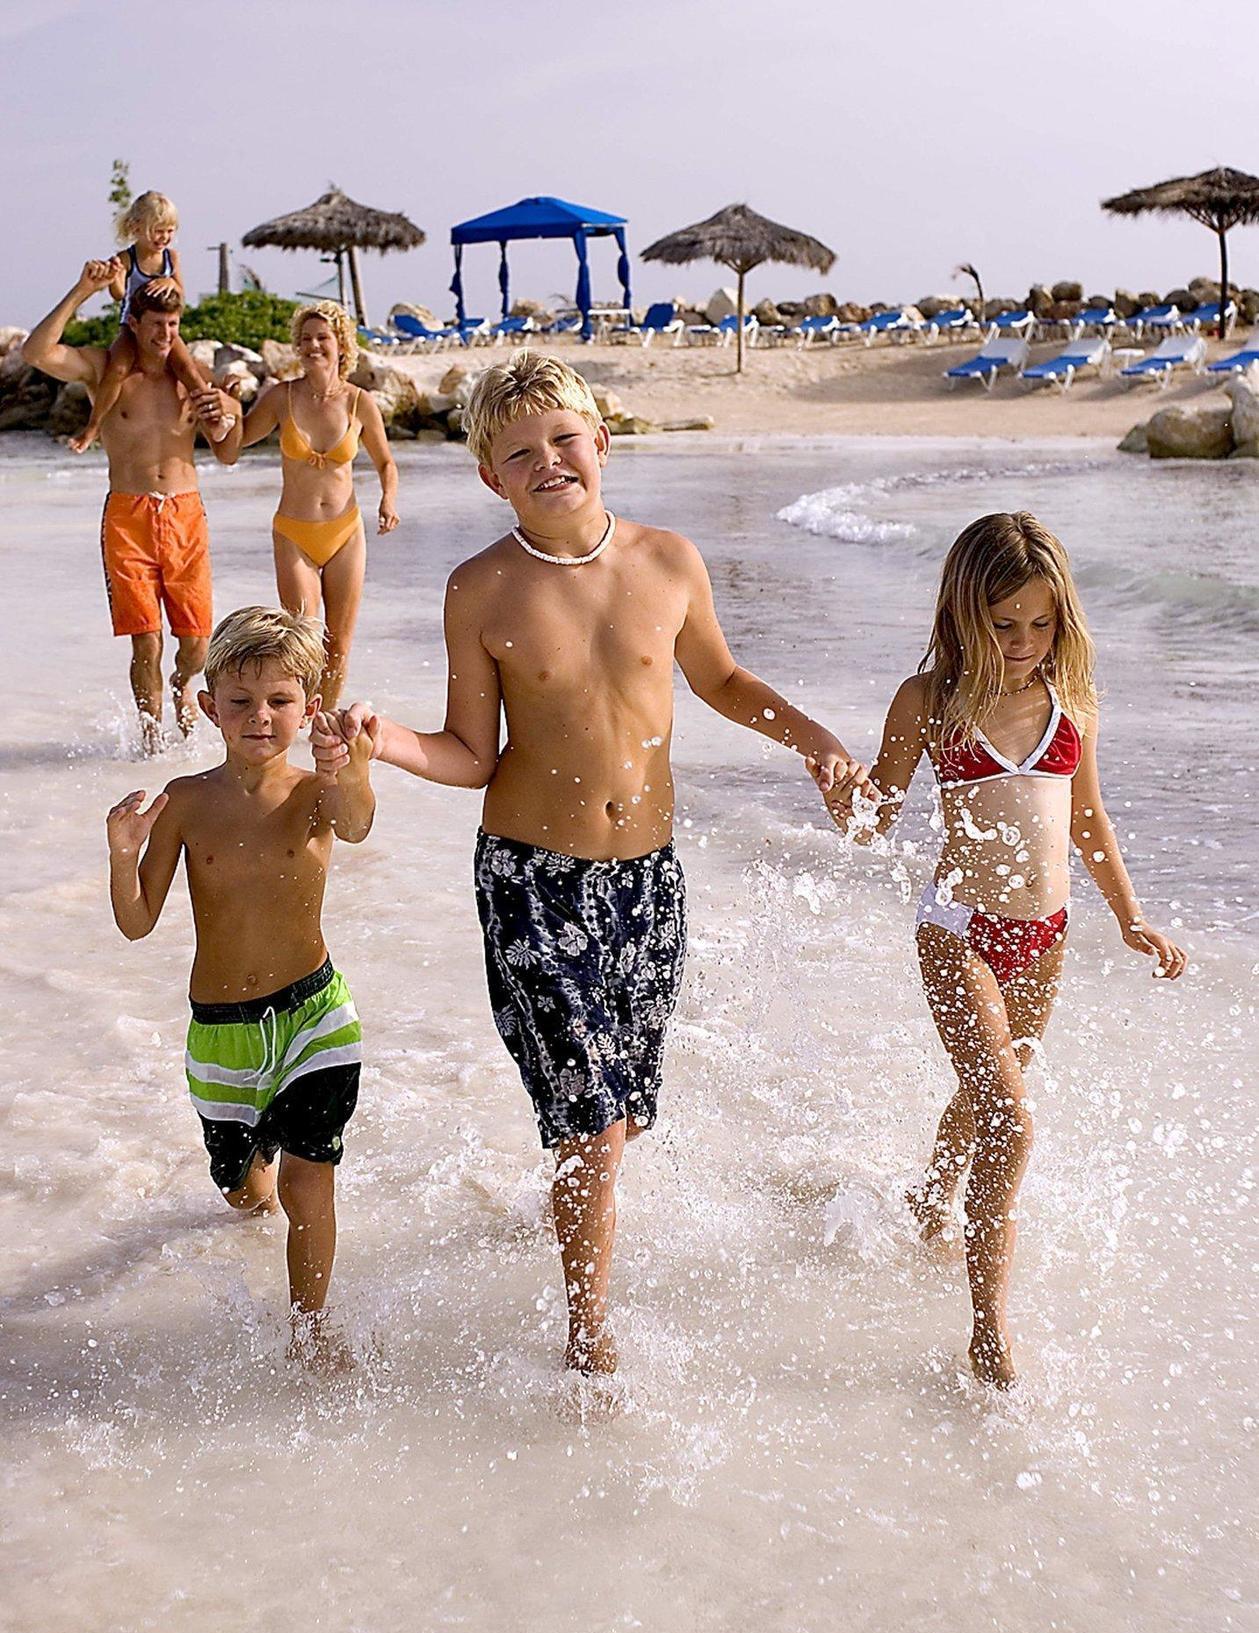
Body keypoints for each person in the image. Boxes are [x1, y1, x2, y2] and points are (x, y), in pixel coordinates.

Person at [313, 350, 871, 1377]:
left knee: (620, 1117)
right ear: (490, 477)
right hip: (532, 880)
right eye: (517, 453)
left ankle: (571, 1208)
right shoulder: (479, 589)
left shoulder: (668, 561)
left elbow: (723, 678)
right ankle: (587, 1343)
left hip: (647, 880)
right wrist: (380, 740)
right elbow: (470, 755)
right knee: (596, 1127)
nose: (546, 463)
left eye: (563, 441)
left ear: (600, 443)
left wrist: (817, 745)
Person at [830, 512, 1186, 1388]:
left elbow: (1089, 822)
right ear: (962, 615)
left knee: (989, 1092)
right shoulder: (931, 703)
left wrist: (1127, 917)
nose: (1025, 642)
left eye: (1041, 622)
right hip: (960, 932)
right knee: (1012, 1116)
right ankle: (987, 1331)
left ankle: (928, 1193)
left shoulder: (1072, 703)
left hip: (1047, 937)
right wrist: (848, 801)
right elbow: (879, 815)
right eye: (1003, 625)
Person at [105, 608, 375, 1363]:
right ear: (207, 706)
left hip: (315, 1015)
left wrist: (350, 764)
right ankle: (250, 1183)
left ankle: (310, 1332)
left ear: (308, 707)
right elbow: (136, 922)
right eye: (241, 701)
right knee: (243, 1192)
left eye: (281, 701)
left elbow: (355, 824)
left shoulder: (316, 792)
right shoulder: (186, 801)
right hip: (222, 1028)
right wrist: (123, 854)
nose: (261, 717)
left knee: (308, 1182)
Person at [23, 261, 240, 751]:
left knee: (197, 645)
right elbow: (35, 351)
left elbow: (226, 452)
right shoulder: (104, 371)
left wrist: (230, 415)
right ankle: (151, 744)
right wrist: (82, 289)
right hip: (128, 517)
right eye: (156, 325)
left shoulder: (192, 380)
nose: (165, 335)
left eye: (173, 325)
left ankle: (185, 686)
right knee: (147, 639)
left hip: (185, 513)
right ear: (134, 325)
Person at [220, 301, 398, 710]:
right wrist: (228, 411)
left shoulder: (359, 402)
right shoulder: (280, 397)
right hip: (294, 533)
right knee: (302, 638)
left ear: (340, 345)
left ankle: (322, 726)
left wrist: (388, 500)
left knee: (339, 645)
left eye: (322, 338)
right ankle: (295, 722)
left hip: (345, 532)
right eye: (305, 339)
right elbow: (234, 446)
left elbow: (386, 462)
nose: (313, 346)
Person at [68, 189, 217, 456]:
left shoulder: (171, 258)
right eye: (157, 230)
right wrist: (114, 276)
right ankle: (93, 427)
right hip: (131, 327)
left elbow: (181, 294)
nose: (164, 237)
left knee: (189, 370)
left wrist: (170, 281)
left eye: (169, 230)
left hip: (164, 330)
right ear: (137, 228)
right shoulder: (128, 258)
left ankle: (213, 420)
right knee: (117, 370)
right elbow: (118, 295)